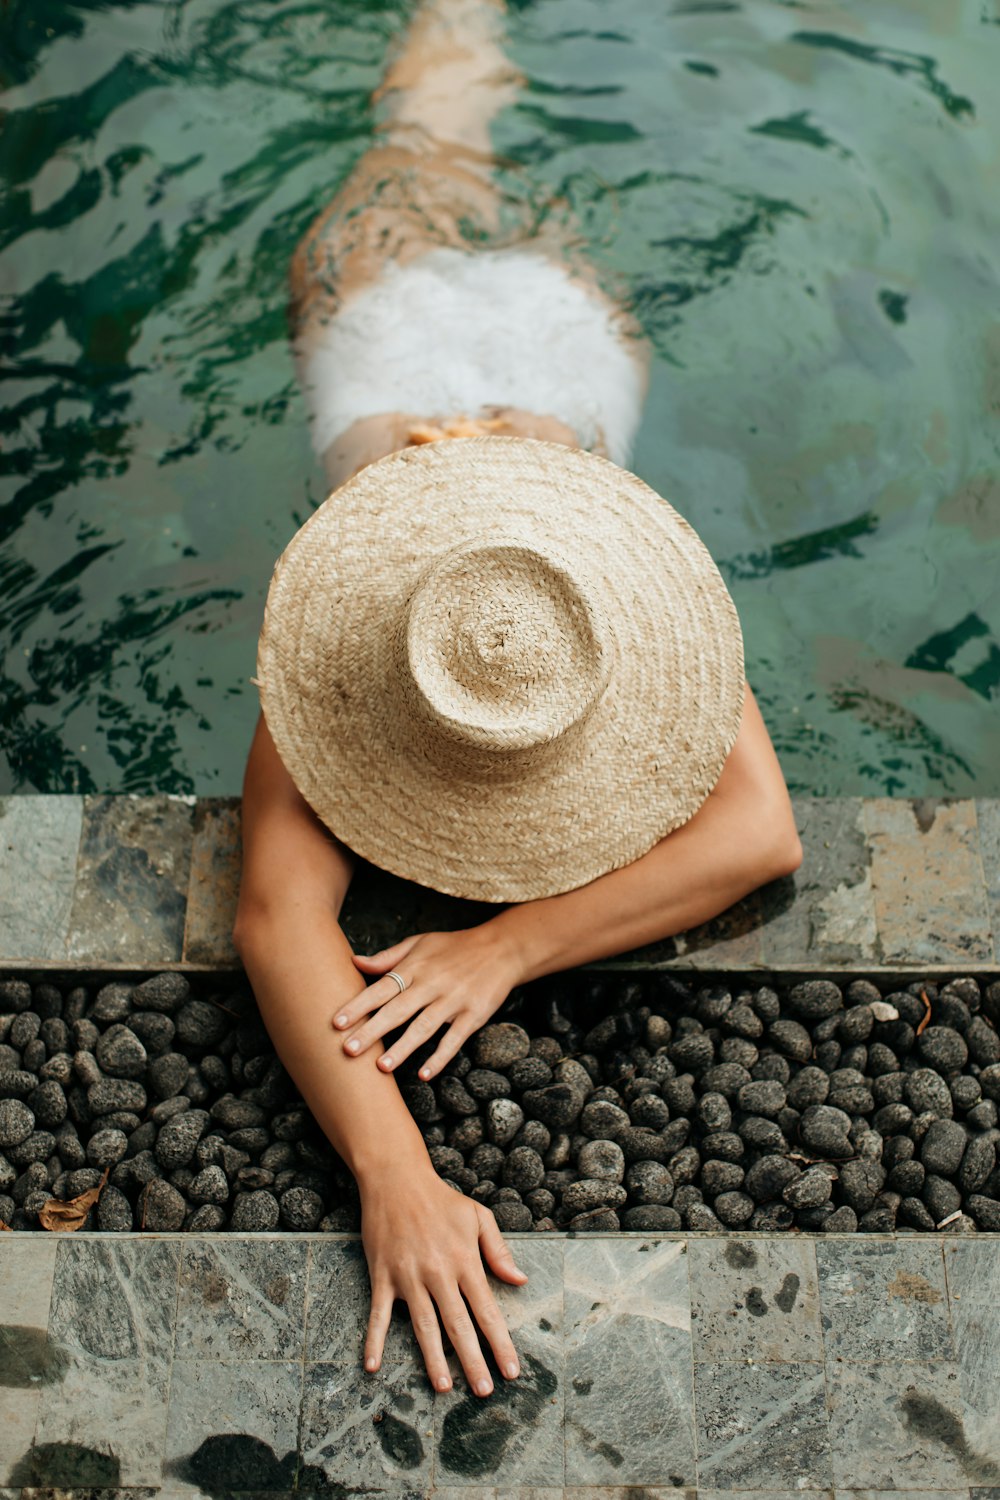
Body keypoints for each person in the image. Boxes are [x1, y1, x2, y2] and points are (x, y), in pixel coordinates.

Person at [233, 0, 802, 1404]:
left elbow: (766, 836)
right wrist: (394, 1173)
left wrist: (506, 948)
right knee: (438, 114)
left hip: (455, 337)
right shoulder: (373, 615)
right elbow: (270, 914)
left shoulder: (601, 586)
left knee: (431, 121)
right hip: (498, 347)